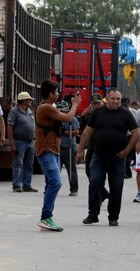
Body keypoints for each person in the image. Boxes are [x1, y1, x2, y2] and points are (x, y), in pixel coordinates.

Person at [77, 88, 139, 227]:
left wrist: (126, 151)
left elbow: (135, 133)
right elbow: (87, 131)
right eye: (113, 98)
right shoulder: (97, 113)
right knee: (94, 183)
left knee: (116, 187)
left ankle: (113, 217)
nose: (116, 101)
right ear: (107, 99)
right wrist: (80, 150)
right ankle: (93, 215)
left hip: (117, 158)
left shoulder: (126, 114)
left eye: (118, 99)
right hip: (99, 156)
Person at [35, 80, 81, 231]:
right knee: (56, 182)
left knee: (50, 184)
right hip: (47, 150)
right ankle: (46, 217)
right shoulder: (45, 107)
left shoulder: (50, 107)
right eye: (56, 92)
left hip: (53, 150)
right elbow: (68, 119)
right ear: (50, 94)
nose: (58, 94)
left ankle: (46, 218)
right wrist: (74, 104)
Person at [79, 93, 109, 202]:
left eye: (98, 103)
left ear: (101, 102)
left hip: (102, 147)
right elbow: (83, 131)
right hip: (91, 146)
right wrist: (83, 116)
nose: (96, 105)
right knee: (88, 171)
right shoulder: (89, 114)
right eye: (94, 103)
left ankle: (99, 195)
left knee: (100, 173)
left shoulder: (106, 113)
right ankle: (103, 192)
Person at [7, 92, 37, 192]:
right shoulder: (14, 112)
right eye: (29, 100)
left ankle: (27, 185)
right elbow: (10, 128)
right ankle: (16, 185)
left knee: (29, 165)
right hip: (19, 142)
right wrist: (12, 144)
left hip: (30, 142)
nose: (31, 102)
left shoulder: (29, 111)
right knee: (18, 164)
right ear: (24, 101)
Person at [56, 101, 80, 196]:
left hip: (68, 148)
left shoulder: (72, 119)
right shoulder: (56, 119)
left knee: (71, 170)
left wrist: (64, 132)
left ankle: (74, 189)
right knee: (55, 169)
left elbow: (76, 132)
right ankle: (52, 187)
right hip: (57, 147)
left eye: (63, 111)